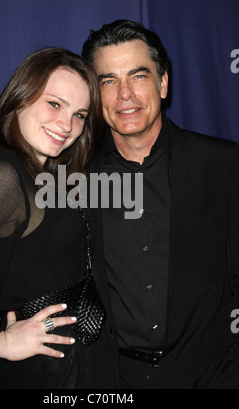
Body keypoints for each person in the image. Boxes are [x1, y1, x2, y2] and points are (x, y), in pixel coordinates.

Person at [0, 47, 118, 389]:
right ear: (19, 99)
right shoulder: (4, 173)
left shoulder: (50, 173)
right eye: (54, 103)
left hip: (87, 366)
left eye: (80, 114)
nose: (67, 125)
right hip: (45, 374)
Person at [82, 20, 239, 389]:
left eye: (138, 76)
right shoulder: (77, 180)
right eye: (108, 81)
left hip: (215, 376)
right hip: (116, 380)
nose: (124, 94)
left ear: (163, 83)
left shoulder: (223, 165)